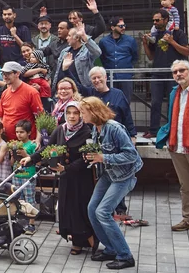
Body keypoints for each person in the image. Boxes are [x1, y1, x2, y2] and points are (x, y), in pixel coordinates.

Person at [20, 101, 97, 255]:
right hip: (65, 177)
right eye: (69, 113)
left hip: (81, 178)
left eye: (75, 113)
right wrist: (31, 159)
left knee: (80, 209)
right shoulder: (60, 130)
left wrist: (67, 168)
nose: (72, 116)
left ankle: (92, 242)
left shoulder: (87, 132)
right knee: (67, 208)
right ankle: (76, 241)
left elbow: (86, 158)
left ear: (81, 114)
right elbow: (47, 148)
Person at [81, 96, 142, 270]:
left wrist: (103, 157)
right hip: (108, 174)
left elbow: (131, 155)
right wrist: (94, 157)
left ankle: (125, 255)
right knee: (92, 209)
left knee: (103, 212)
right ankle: (110, 249)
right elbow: (100, 152)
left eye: (83, 112)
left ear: (93, 112)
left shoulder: (114, 128)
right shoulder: (96, 129)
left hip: (124, 176)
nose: (81, 115)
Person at [156, 60, 189, 232]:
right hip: (178, 146)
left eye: (182, 70)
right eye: (175, 72)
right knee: (186, 186)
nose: (178, 74)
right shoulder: (174, 92)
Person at [143, 9, 189, 138]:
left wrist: (172, 42)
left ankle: (172, 130)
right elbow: (151, 57)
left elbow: (187, 52)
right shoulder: (155, 35)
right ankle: (154, 130)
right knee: (155, 102)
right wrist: (145, 44)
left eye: (157, 20)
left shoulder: (178, 33)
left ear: (165, 20)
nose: (155, 22)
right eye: (153, 20)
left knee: (173, 102)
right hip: (157, 72)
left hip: (174, 74)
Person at [85, 67, 136, 139]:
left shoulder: (118, 94)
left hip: (116, 135)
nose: (97, 80)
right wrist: (66, 69)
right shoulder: (89, 93)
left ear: (105, 77)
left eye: (99, 77)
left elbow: (126, 115)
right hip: (96, 136)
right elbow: (74, 86)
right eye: (94, 78)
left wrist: (132, 135)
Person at [0, 62, 42, 141]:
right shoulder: (4, 93)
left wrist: (38, 140)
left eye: (7, 73)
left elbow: (40, 118)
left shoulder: (31, 92)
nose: (4, 76)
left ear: (17, 73)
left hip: (25, 144)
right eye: (3, 73)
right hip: (7, 142)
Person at [98, 17, 138, 104]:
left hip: (125, 77)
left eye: (124, 25)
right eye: (120, 26)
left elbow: (135, 57)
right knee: (109, 102)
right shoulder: (103, 42)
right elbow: (102, 57)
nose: (123, 28)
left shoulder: (130, 40)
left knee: (126, 102)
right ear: (112, 27)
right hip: (110, 76)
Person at [53, 25, 101, 90]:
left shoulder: (87, 50)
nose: (67, 38)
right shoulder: (64, 51)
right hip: (65, 88)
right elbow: (58, 71)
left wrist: (84, 36)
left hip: (83, 89)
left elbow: (97, 52)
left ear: (77, 38)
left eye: (69, 36)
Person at [11, 120, 38, 235]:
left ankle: (31, 224)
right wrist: (12, 155)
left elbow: (36, 161)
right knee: (17, 199)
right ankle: (20, 222)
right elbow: (12, 163)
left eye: (22, 132)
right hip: (17, 175)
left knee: (29, 199)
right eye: (17, 132)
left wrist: (25, 154)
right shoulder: (15, 144)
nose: (19, 134)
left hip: (28, 176)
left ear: (29, 132)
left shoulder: (32, 145)